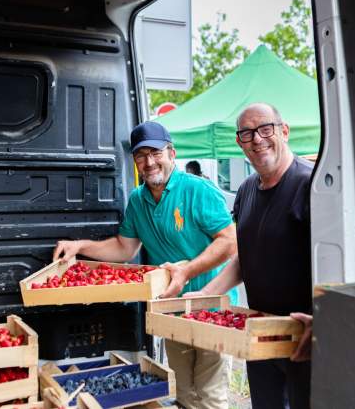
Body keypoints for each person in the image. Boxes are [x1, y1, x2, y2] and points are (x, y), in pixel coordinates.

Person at [53, 121, 238, 409]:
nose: (149, 162)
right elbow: (124, 248)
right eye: (141, 156)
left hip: (210, 307)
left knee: (210, 397)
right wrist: (80, 247)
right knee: (184, 393)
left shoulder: (198, 190)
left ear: (171, 153)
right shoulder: (138, 200)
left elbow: (229, 242)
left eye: (156, 153)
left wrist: (187, 271)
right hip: (171, 310)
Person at [187, 103, 314, 409]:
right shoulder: (245, 191)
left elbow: (337, 259)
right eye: (247, 133)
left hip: (303, 338)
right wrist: (205, 295)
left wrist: (325, 318)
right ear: (239, 142)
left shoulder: (309, 185)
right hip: (258, 337)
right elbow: (245, 258)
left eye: (265, 129)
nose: (257, 139)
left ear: (284, 131)